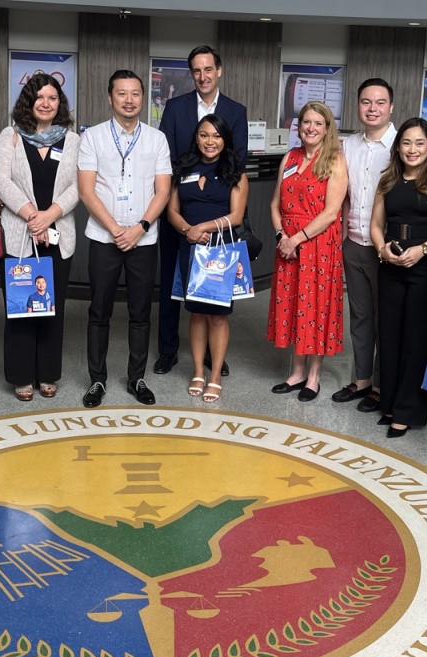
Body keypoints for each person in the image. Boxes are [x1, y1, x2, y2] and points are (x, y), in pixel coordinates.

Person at [77, 70, 172, 408]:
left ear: (142, 98)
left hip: (143, 241)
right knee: (98, 311)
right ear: (110, 98)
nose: (129, 100)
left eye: (135, 94)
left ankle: (136, 378)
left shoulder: (156, 139)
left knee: (140, 312)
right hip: (104, 238)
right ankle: (97, 380)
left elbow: (162, 191)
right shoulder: (93, 137)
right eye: (122, 94)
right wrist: (116, 229)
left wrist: (140, 227)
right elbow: (86, 191)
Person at [155, 45, 248, 377]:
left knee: (214, 288)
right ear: (191, 73)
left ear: (218, 70)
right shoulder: (175, 108)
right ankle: (167, 349)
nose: (203, 76)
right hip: (181, 210)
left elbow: (238, 162)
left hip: (218, 216)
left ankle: (212, 356)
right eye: (196, 70)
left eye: (208, 69)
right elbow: (164, 160)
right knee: (171, 283)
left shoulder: (236, 111)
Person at [0, 72, 81, 401]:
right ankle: (20, 375)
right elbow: (0, 179)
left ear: (60, 103)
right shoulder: (11, 136)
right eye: (39, 97)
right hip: (20, 236)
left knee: (52, 308)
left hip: (59, 235)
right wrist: (32, 216)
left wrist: (49, 216)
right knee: (21, 307)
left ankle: (47, 373)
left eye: (52, 98)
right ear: (29, 101)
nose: (45, 103)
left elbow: (78, 188)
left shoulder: (73, 141)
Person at [370, 117, 427, 436]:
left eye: (420, 143)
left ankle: (408, 410)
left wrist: (423, 250)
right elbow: (376, 225)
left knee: (417, 339)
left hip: (426, 263)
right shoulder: (387, 179)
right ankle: (389, 403)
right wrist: (382, 250)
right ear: (398, 147)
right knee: (390, 335)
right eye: (406, 142)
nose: (412, 149)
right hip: (390, 263)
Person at [165, 114, 250, 402]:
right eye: (204, 135)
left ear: (225, 140)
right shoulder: (183, 169)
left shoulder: (236, 174)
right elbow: (172, 212)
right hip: (189, 248)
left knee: (218, 316)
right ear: (196, 138)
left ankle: (215, 376)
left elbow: (237, 216)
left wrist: (204, 228)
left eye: (216, 136)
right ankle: (198, 371)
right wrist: (190, 230)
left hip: (220, 252)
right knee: (197, 313)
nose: (209, 142)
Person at [267, 101, 348, 402]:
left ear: (327, 128)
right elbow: (275, 204)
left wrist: (296, 238)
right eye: (306, 122)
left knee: (316, 309)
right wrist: (281, 236)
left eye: (318, 123)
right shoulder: (289, 157)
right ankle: (297, 371)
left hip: (318, 246)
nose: (311, 128)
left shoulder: (335, 161)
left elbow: (331, 213)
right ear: (298, 127)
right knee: (292, 306)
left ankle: (314, 376)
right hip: (287, 244)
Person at [335, 78, 397, 412]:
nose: (372, 109)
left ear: (391, 107)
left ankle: (382, 385)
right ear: (358, 106)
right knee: (359, 316)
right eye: (366, 102)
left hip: (386, 248)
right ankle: (362, 380)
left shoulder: (403, 143)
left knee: (385, 318)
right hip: (353, 242)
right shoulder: (347, 145)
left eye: (379, 102)